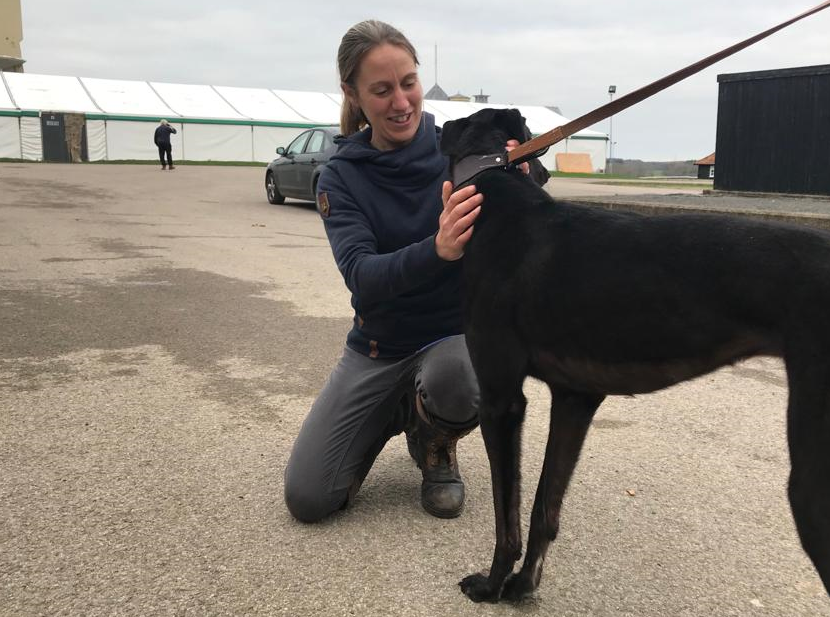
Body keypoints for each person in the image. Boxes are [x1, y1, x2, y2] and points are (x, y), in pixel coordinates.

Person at [283, 20, 535, 523]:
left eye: (408, 83)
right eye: (381, 90)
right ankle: (398, 408)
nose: (400, 102)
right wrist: (437, 249)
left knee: (462, 374)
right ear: (352, 94)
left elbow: (523, 232)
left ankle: (434, 440)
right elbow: (363, 277)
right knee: (309, 498)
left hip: (453, 340)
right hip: (379, 348)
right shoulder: (341, 176)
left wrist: (524, 181)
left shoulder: (460, 150)